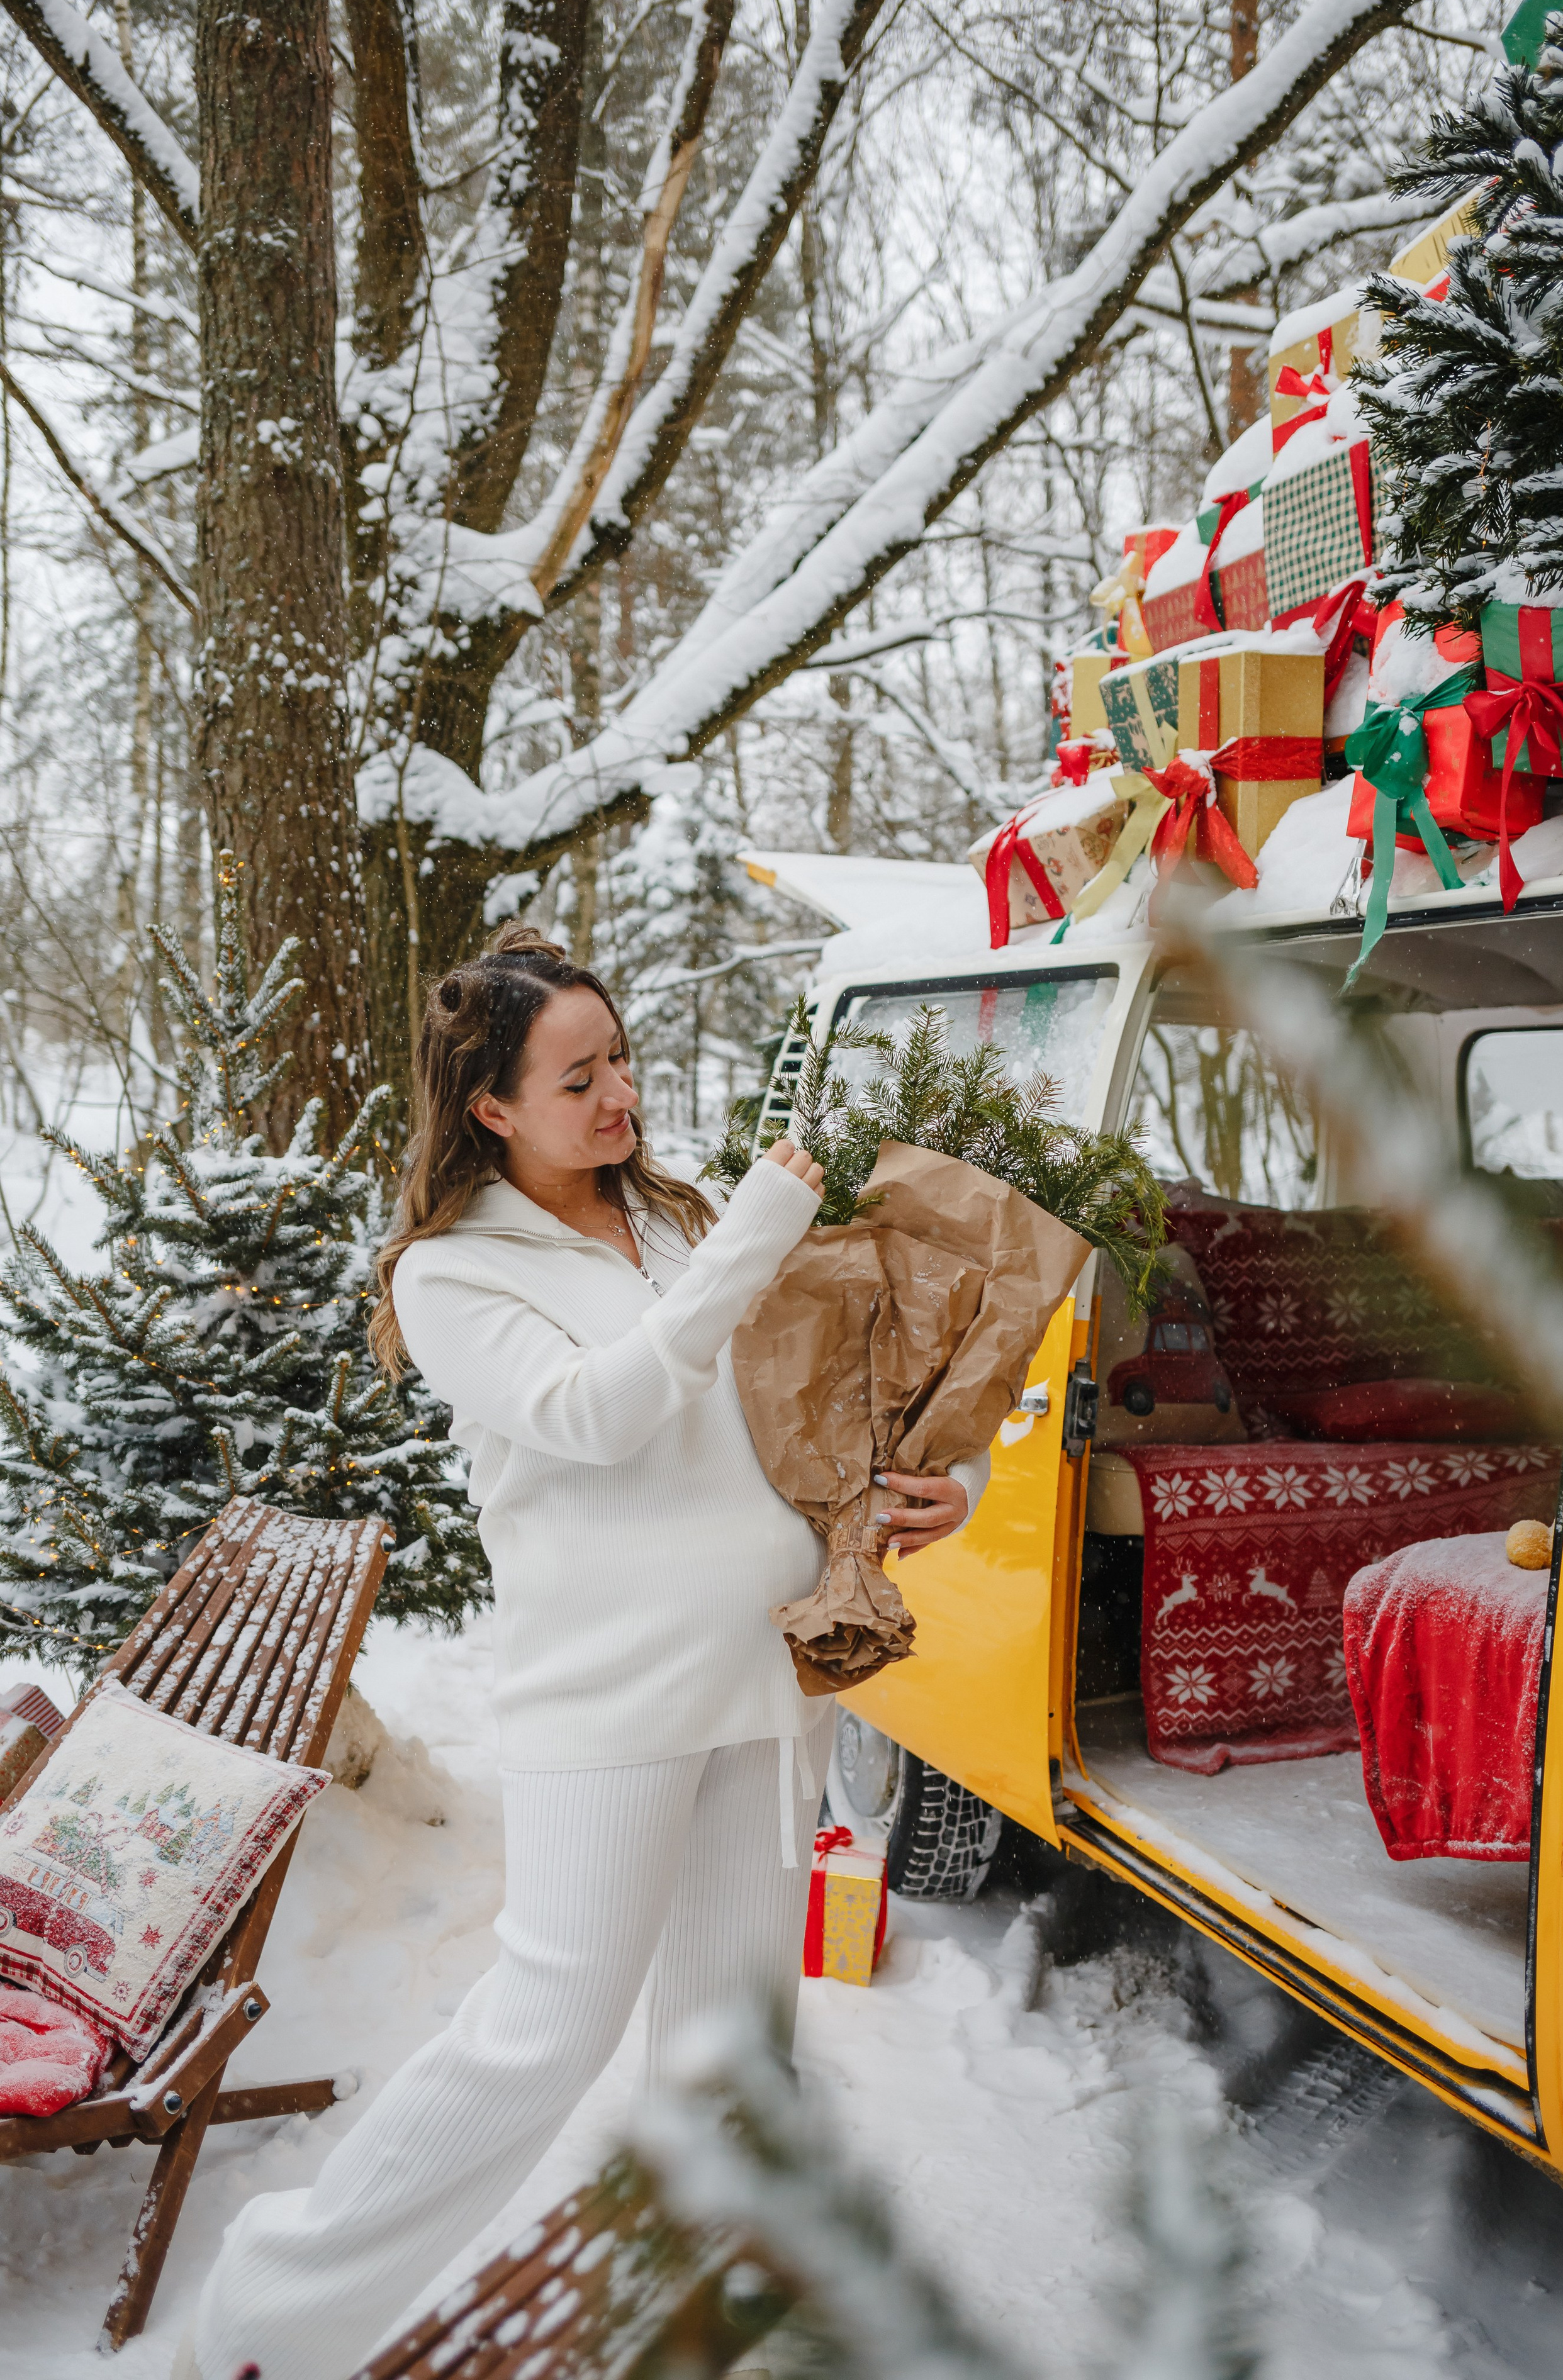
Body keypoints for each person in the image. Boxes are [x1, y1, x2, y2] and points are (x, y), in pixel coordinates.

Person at [182, 927, 990, 2380]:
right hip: (611, 1703)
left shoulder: (670, 1220)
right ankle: (270, 2315)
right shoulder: (454, 1277)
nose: (618, 1095)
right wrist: (750, 1233)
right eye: (578, 1077)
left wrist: (946, 1483)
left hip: (763, 1674)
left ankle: (710, 2303)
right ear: (490, 1107)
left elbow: (810, 1399)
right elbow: (596, 1413)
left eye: (619, 1059)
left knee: (734, 2037)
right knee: (541, 2035)